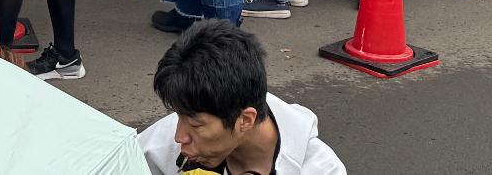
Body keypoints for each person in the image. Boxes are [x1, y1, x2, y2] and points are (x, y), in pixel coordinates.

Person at [139, 19, 347, 175]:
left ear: (246, 120)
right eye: (178, 116)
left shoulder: (321, 169)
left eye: (195, 125)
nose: (179, 137)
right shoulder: (172, 133)